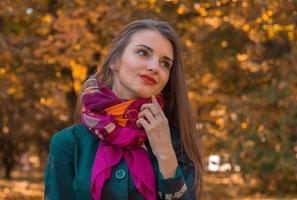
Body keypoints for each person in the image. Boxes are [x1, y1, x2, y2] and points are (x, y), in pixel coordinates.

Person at [44, 19, 203, 200]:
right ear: (114, 61)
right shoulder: (68, 144)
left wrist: (165, 153)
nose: (154, 67)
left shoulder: (177, 143)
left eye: (165, 63)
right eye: (143, 52)